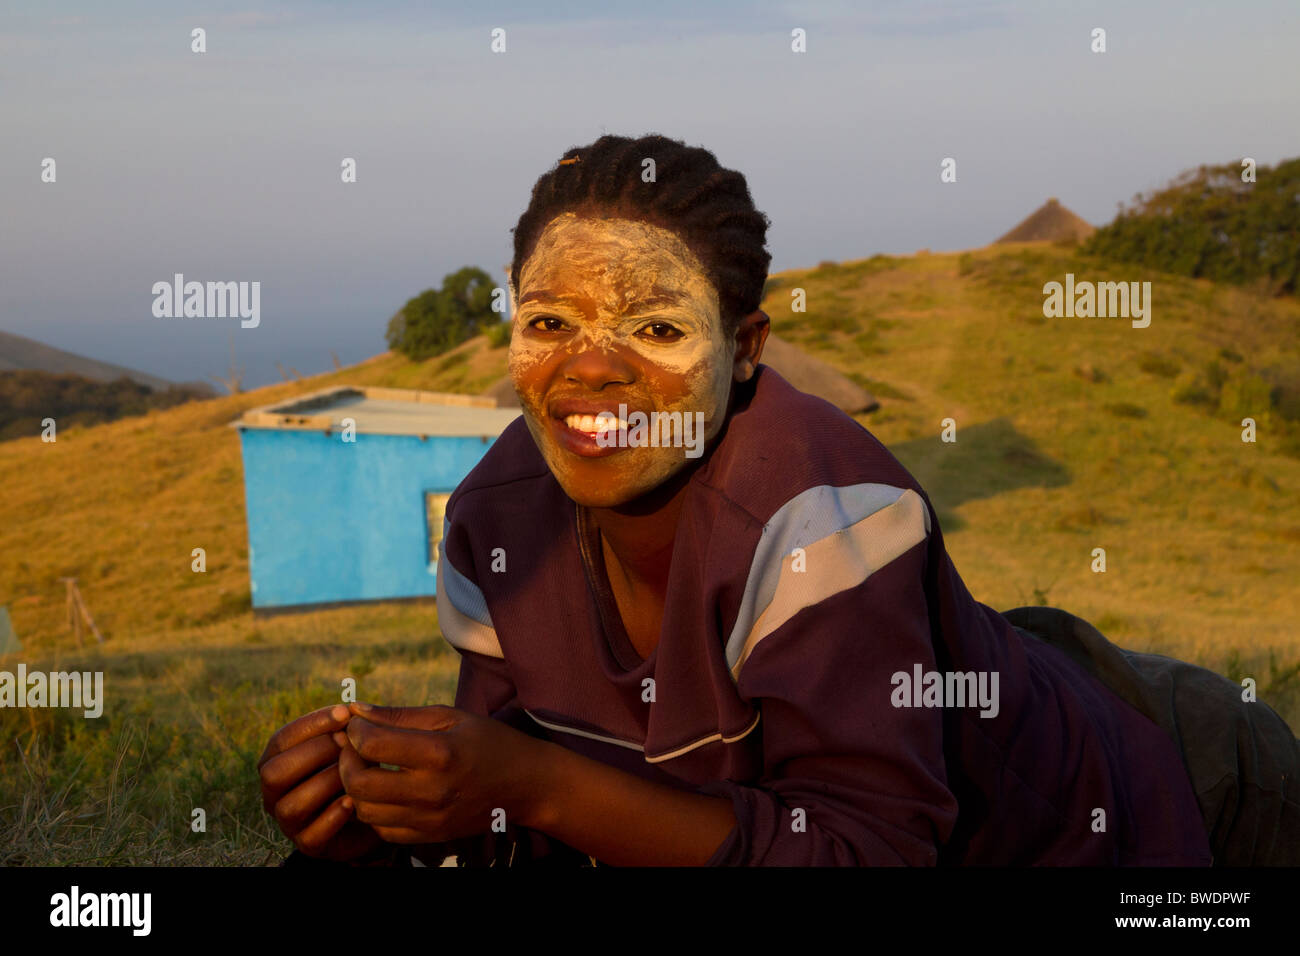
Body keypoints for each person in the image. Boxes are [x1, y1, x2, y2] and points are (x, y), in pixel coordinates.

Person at [258, 133, 1299, 866]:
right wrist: (386, 819)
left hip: (1153, 772)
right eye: (548, 323)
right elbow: (528, 827)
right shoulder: (494, 522)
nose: (590, 369)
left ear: (747, 349)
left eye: (658, 330)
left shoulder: (813, 506)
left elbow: (870, 846)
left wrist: (534, 783)